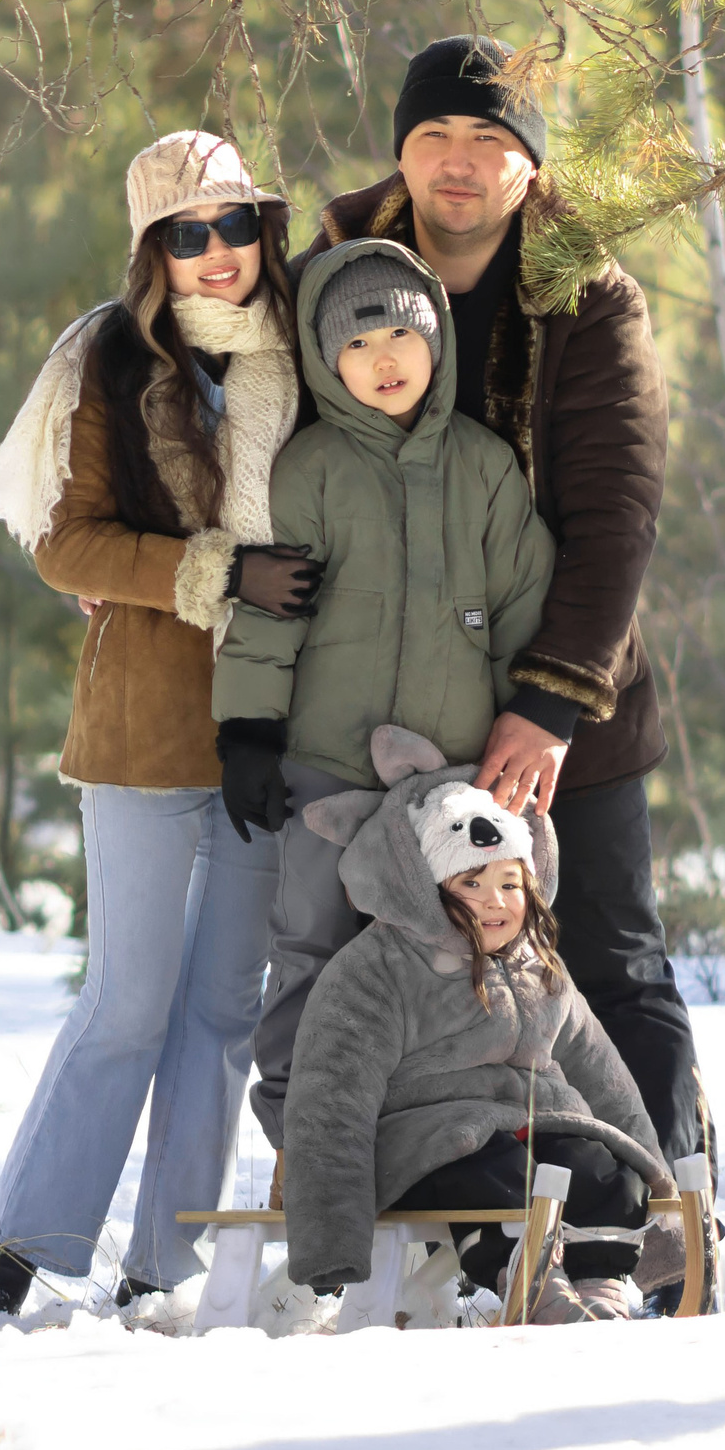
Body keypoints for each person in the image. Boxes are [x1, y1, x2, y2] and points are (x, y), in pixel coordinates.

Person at [256, 35, 712, 1223]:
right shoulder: (334, 273)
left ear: (526, 160)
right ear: (401, 149)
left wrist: (552, 700)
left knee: (602, 955)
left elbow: (618, 514)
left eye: (489, 140)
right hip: (383, 711)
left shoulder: (587, 292)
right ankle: (455, 1217)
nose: (459, 165)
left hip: (564, 703)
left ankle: (672, 1213)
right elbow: (245, 432)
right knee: (385, 973)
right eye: (434, 138)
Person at [0, 131, 322, 1314]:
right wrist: (220, 569)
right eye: (185, 232)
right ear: (151, 252)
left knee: (223, 1008)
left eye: (235, 224)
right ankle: (14, 1239)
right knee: (128, 999)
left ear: (266, 227)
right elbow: (70, 543)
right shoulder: (110, 359)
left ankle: (167, 1267)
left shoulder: (311, 352)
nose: (216, 253)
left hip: (273, 720)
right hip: (144, 721)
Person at [209, 231, 553, 962]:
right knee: (312, 943)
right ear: (329, 361)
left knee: (449, 952)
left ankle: (446, 1083)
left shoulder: (484, 466)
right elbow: (271, 616)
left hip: (454, 773)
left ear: (436, 335)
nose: (385, 358)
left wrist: (517, 726)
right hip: (326, 760)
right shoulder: (311, 469)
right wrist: (249, 733)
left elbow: (521, 607)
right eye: (359, 343)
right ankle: (293, 1083)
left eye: (401, 332)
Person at [277, 728, 678, 1324]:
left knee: (602, 1169)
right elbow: (330, 1098)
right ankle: (529, 1280)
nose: (496, 903)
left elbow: (602, 1073)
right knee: (494, 1180)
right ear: (427, 888)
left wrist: (659, 1183)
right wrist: (330, 1237)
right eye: (472, 884)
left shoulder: (540, 964)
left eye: (509, 884)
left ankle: (602, 1283)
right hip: (429, 1142)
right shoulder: (377, 970)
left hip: (539, 1125)